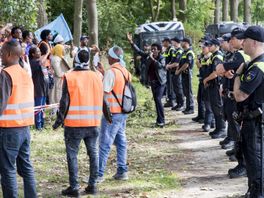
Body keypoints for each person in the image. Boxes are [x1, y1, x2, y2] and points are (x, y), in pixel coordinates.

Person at [53, 49, 103, 196]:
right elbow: (103, 99)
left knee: (72, 155)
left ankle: (74, 188)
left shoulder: (69, 77)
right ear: (88, 60)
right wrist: (108, 115)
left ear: (74, 59)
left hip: (73, 125)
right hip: (93, 122)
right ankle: (92, 185)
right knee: (94, 153)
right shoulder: (97, 76)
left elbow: (64, 102)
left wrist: (58, 121)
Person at [0, 40, 37, 198]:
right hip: (25, 127)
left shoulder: (5, 74)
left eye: (1, 53)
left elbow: (1, 103)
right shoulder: (25, 73)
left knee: (8, 169)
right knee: (26, 167)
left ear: (8, 54)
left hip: (9, 128)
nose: (0, 56)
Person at [232, 25, 264, 198]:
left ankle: (257, 193)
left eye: (244, 40)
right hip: (251, 120)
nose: (242, 43)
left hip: (256, 123)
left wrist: (237, 75)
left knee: (255, 162)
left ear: (253, 42)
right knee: (251, 161)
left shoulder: (258, 66)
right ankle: (253, 191)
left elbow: (240, 95)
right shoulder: (253, 64)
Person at [98, 46, 132, 183]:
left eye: (108, 56)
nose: (107, 58)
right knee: (121, 142)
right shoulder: (125, 71)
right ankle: (122, 170)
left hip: (111, 113)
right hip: (123, 112)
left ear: (113, 57)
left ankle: (98, 174)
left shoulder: (111, 72)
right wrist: (103, 73)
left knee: (105, 143)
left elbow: (104, 92)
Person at [203, 38, 226, 139]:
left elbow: (216, 73)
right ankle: (218, 128)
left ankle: (221, 129)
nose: (208, 47)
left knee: (218, 107)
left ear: (216, 46)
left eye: (210, 45)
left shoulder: (217, 56)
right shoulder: (213, 55)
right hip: (212, 85)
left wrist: (206, 79)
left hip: (216, 85)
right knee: (214, 107)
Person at [29, 46, 49, 130]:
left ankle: (42, 123)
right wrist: (47, 53)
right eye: (37, 52)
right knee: (38, 107)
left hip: (44, 88)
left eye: (40, 51)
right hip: (38, 89)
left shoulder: (40, 62)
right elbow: (41, 62)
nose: (40, 53)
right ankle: (38, 125)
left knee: (42, 107)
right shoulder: (33, 62)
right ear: (33, 54)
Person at [197, 41, 214, 132]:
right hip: (204, 82)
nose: (202, 49)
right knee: (205, 102)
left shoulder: (211, 56)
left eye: (204, 48)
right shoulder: (204, 57)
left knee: (208, 104)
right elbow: (200, 67)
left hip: (210, 83)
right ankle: (211, 122)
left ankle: (208, 123)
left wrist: (207, 80)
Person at [176, 37, 195, 114]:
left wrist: (179, 71)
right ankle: (187, 107)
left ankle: (191, 108)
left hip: (188, 74)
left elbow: (186, 64)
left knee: (189, 92)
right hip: (183, 74)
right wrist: (178, 70)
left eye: (182, 42)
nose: (181, 43)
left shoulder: (190, 52)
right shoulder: (184, 52)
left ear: (186, 43)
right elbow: (180, 63)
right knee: (186, 92)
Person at [166, 37, 185, 111]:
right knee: (175, 89)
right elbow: (173, 60)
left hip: (177, 73)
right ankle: (178, 103)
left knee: (179, 89)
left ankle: (182, 104)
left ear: (176, 42)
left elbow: (177, 63)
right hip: (173, 72)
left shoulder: (179, 51)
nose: (172, 43)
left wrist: (169, 66)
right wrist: (169, 64)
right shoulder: (176, 51)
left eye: (173, 42)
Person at [50, 43, 70, 109]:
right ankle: (54, 112)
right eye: (63, 49)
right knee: (56, 96)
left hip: (62, 79)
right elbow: (58, 73)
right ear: (59, 50)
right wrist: (66, 73)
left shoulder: (60, 57)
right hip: (57, 80)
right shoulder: (55, 59)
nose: (64, 51)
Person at [162, 37, 177, 108]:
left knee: (171, 86)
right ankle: (169, 100)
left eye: (163, 42)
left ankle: (172, 101)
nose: (162, 43)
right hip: (167, 70)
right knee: (168, 85)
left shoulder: (171, 50)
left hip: (171, 70)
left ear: (167, 42)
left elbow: (173, 60)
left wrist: (168, 65)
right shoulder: (167, 50)